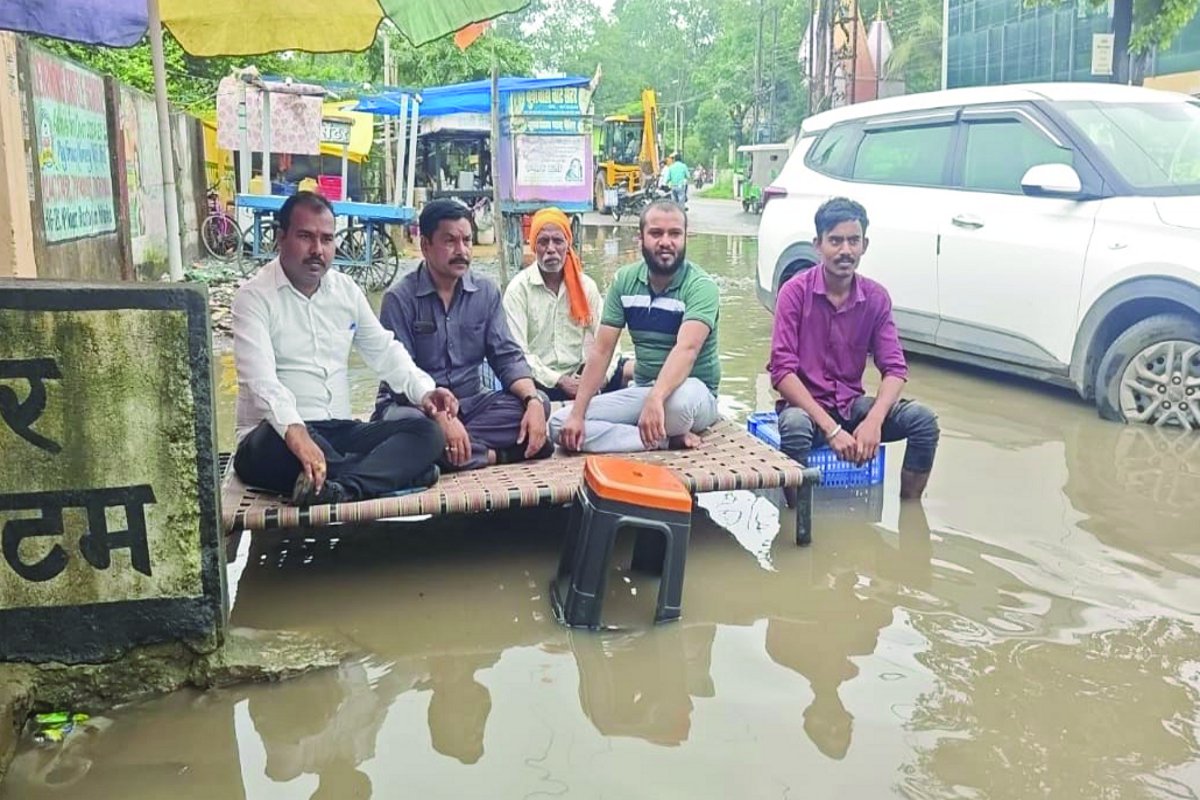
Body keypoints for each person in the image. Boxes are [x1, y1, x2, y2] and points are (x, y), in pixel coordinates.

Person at [231, 192, 453, 507]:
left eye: (326, 239)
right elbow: (261, 383)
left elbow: (384, 350)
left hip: (338, 430)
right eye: (305, 237)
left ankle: (343, 487)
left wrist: (425, 391)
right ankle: (389, 476)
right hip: (277, 437)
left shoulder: (345, 290)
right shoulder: (253, 297)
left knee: (427, 433)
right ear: (281, 238)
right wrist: (297, 433)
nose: (317, 250)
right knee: (272, 439)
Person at [768, 197, 939, 500]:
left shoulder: (876, 298)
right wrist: (831, 430)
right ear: (818, 245)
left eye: (853, 241)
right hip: (807, 410)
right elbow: (782, 372)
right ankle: (797, 517)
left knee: (923, 421)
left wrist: (874, 421)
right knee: (794, 427)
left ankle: (911, 512)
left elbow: (895, 369)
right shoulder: (794, 293)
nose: (845, 250)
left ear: (864, 245)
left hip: (851, 406)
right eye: (835, 241)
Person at [374, 199, 552, 471]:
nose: (462, 251)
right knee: (419, 431)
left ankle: (444, 453)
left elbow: (507, 357)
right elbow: (399, 378)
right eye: (450, 241)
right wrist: (442, 419)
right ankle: (495, 455)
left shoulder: (486, 292)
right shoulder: (399, 299)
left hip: (473, 403)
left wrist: (533, 401)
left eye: (467, 241)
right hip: (416, 407)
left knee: (541, 404)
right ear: (425, 245)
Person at [549, 200, 721, 453]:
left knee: (678, 408)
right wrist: (578, 412)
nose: (665, 242)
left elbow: (687, 349)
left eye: (674, 234)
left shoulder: (701, 286)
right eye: (656, 233)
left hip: (693, 393)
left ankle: (651, 426)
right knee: (560, 425)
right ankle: (664, 440)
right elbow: (602, 351)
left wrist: (657, 397)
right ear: (640, 238)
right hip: (644, 390)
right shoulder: (624, 281)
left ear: (686, 238)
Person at [503, 207, 634, 402]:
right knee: (523, 388)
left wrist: (600, 379)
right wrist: (559, 380)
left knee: (631, 368)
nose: (551, 249)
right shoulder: (518, 290)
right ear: (533, 246)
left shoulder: (585, 286)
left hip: (580, 376)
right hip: (538, 380)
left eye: (558, 241)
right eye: (543, 242)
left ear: (567, 244)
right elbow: (518, 353)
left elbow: (609, 341)